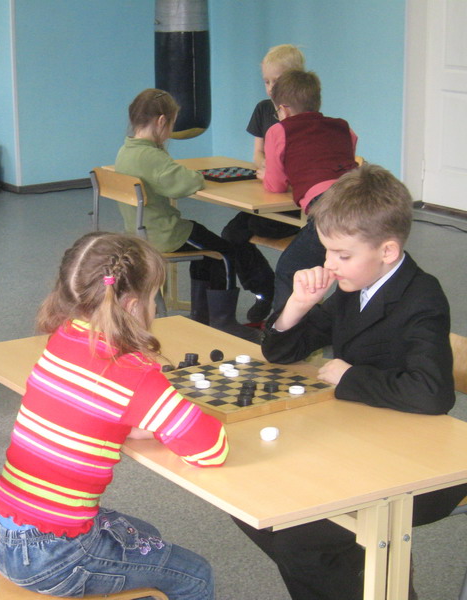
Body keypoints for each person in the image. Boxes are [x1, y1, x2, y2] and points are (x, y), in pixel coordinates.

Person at [233, 164, 467, 600]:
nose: (328, 264)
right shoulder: (354, 284)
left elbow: (432, 393)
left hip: (418, 462)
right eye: (326, 252)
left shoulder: (422, 297)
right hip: (357, 438)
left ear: (388, 251)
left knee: (296, 537)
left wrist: (350, 376)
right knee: (254, 507)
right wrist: (298, 306)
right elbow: (282, 352)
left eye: (341, 255)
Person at [0, 231, 228, 599]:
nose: (154, 308)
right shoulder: (134, 373)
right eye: (154, 298)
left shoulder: (64, 336)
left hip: (5, 532)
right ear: (132, 306)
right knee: (196, 574)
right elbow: (210, 451)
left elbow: (85, 409)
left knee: (147, 535)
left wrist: (134, 426)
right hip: (59, 555)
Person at [115, 88, 259, 342]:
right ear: (162, 121)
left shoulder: (127, 150)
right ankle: (223, 322)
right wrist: (192, 174)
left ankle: (201, 317)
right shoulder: (151, 156)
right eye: (172, 124)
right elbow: (186, 183)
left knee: (206, 250)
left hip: (140, 232)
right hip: (165, 233)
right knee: (224, 253)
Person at [259, 70, 358, 313]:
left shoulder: (279, 131)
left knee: (290, 269)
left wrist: (265, 174)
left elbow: (276, 185)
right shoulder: (342, 127)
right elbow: (346, 154)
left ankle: (285, 330)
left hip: (328, 209)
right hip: (359, 196)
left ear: (283, 110)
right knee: (354, 266)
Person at [221, 44, 306, 322]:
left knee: (258, 227)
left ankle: (287, 301)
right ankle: (263, 290)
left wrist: (277, 172)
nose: (270, 88)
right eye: (266, 82)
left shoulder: (303, 114)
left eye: (276, 81)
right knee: (230, 235)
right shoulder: (263, 109)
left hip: (293, 205)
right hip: (268, 197)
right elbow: (258, 153)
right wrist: (266, 166)